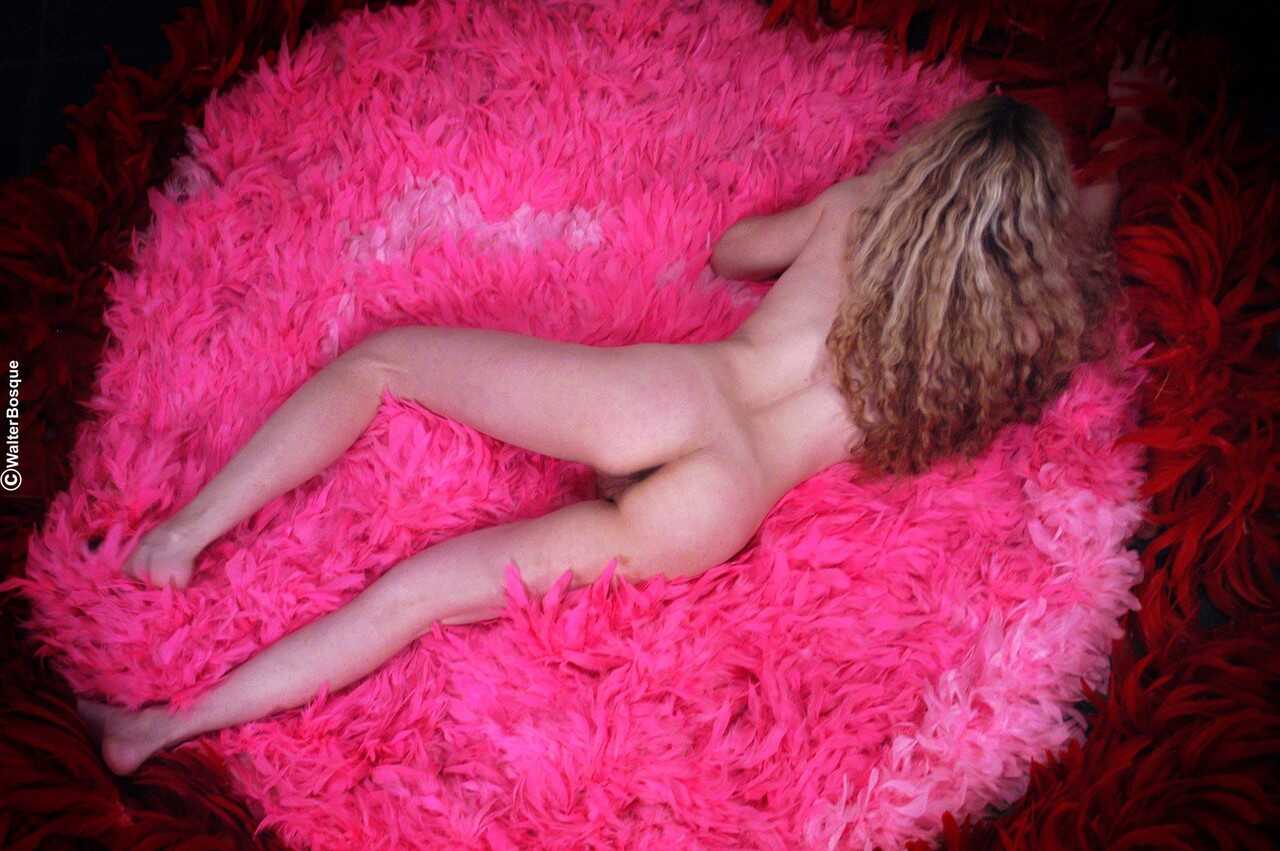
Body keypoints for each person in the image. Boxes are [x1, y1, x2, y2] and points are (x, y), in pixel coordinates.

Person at [77, 33, 1175, 776]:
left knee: (386, 362)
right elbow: (1085, 221)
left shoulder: (855, 211)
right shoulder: (1011, 331)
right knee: (415, 597)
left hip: (676, 401)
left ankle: (182, 539)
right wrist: (1125, 126)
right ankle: (156, 733)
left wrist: (828, 223)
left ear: (925, 171)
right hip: (721, 502)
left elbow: (732, 251)